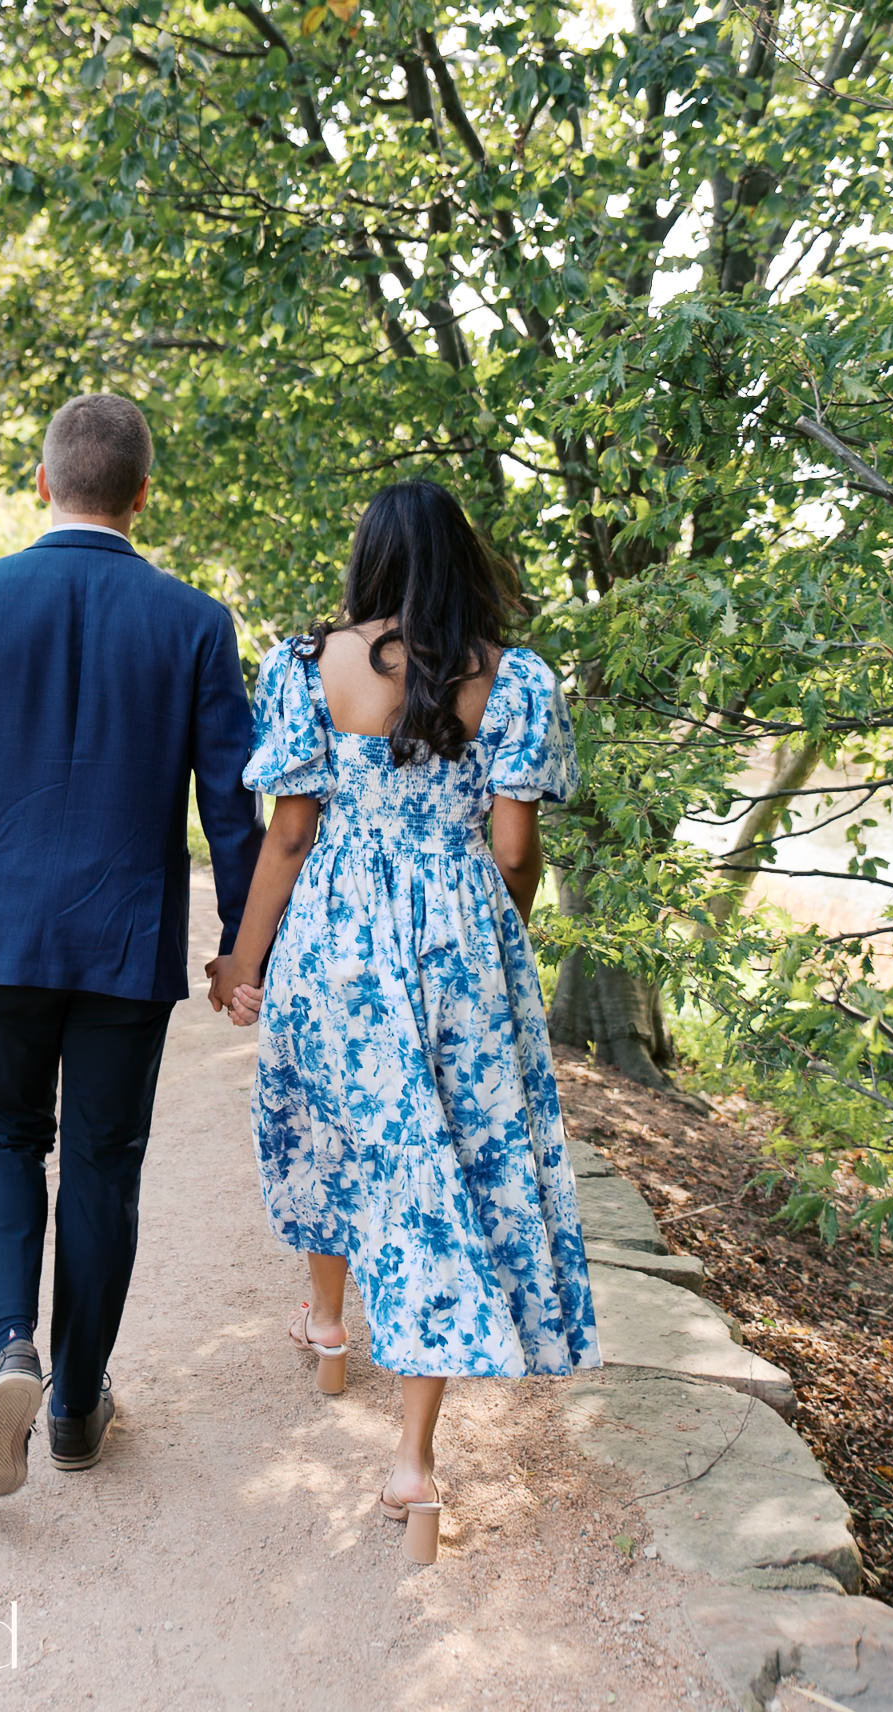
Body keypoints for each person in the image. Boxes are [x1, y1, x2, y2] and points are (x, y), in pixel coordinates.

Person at [207, 479, 600, 1565]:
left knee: (336, 1128)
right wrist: (488, 934)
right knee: (436, 1179)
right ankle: (414, 1467)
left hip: (333, 933)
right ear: (464, 561)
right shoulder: (512, 678)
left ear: (369, 557)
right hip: (457, 941)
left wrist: (243, 961)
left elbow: (286, 835)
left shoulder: (302, 665)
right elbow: (515, 851)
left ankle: (328, 1328)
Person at [0, 394, 262, 1496]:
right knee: (104, 1166)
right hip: (123, 941)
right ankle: (75, 1403)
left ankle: (10, 1342)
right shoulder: (195, 622)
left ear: (42, 481)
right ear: (143, 494)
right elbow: (230, 807)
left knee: (5, 1141)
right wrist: (242, 948)